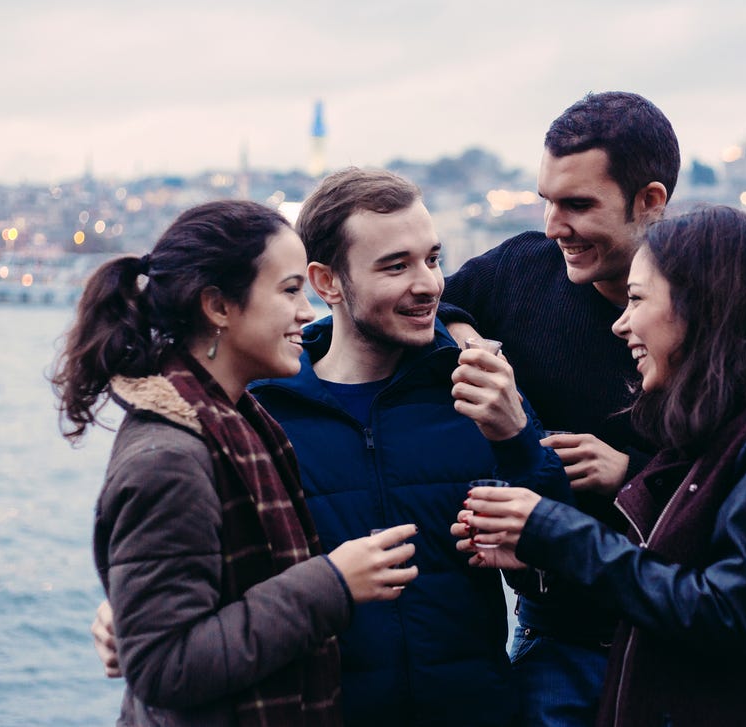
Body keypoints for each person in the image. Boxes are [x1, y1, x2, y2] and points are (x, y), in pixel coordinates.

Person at [91, 171, 570, 725]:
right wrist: (128, 610)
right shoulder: (257, 413)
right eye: (396, 265)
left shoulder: (480, 389)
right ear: (328, 282)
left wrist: (519, 443)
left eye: (433, 259)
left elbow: (564, 565)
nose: (430, 284)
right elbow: (200, 569)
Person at [457, 204, 746, 726]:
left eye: (637, 300)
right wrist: (538, 549)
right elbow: (674, 569)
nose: (620, 324)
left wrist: (554, 530)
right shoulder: (724, 425)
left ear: (698, 306)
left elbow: (727, 616)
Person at [54, 200, 418, 726]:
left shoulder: (238, 419)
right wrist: (332, 584)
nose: (307, 312)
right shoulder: (170, 457)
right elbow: (161, 666)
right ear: (219, 308)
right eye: (290, 290)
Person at [439, 90, 679, 725]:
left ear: (650, 203)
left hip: (674, 642)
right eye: (547, 200)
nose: (554, 227)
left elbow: (742, 485)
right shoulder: (524, 267)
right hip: (555, 636)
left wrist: (630, 475)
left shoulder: (704, 310)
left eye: (577, 205)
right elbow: (433, 305)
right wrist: (473, 349)